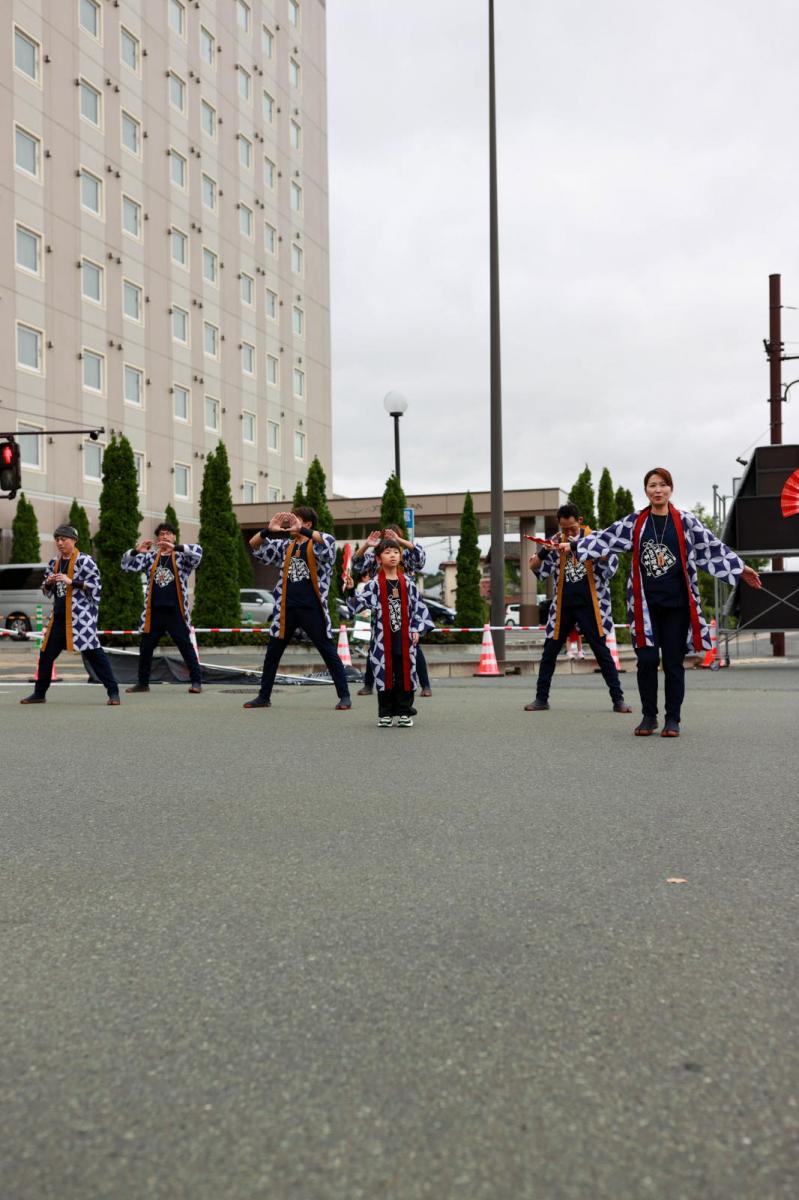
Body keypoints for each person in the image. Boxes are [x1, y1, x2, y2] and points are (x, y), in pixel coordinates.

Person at [566, 467, 762, 737]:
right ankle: (649, 716)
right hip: (645, 606)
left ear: (671, 489)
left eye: (662, 485)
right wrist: (574, 546)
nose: (657, 490)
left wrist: (741, 569)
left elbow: (711, 547)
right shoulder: (636, 522)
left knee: (672, 662)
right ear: (646, 490)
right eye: (652, 485)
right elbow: (607, 538)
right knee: (646, 660)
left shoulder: (685, 521)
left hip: (677, 606)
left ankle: (673, 719)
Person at [526, 503, 631, 714]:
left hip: (591, 605)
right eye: (564, 528)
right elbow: (534, 567)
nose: (568, 532)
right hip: (563, 604)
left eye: (571, 528)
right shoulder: (557, 542)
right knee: (550, 652)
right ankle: (541, 698)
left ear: (580, 521)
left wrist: (581, 545)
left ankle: (618, 699)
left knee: (602, 652)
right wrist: (545, 550)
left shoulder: (596, 537)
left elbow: (610, 562)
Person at [243, 507, 352, 710]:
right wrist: (269, 530)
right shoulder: (286, 546)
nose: (289, 522)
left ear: (308, 524)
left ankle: (345, 696)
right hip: (287, 609)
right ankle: (263, 696)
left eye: (296, 519)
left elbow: (329, 542)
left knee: (328, 652)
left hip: (312, 608)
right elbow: (254, 544)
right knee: (272, 654)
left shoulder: (318, 545)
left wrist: (303, 530)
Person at [20, 524, 120, 706]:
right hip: (58, 618)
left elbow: (96, 587)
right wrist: (49, 583)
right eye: (57, 539)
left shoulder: (85, 561)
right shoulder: (54, 562)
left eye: (63, 539)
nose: (60, 543)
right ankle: (39, 693)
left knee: (95, 655)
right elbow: (46, 590)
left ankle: (113, 692)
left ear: (74, 540)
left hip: (81, 618)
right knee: (45, 655)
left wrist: (71, 581)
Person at [345, 539, 434, 727]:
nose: (392, 555)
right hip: (381, 638)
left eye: (395, 552)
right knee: (383, 674)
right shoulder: (374, 585)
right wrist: (351, 588)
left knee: (405, 675)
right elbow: (358, 605)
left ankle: (404, 712)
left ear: (400, 556)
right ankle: (385, 713)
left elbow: (419, 608)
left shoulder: (408, 583)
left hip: (405, 638)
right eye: (387, 552)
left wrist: (417, 628)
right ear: (378, 558)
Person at [120, 524, 203, 694]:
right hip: (154, 612)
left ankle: (196, 681)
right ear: (157, 538)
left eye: (168, 534)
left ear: (174, 537)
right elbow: (126, 565)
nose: (164, 537)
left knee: (185, 646)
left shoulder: (181, 556)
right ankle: (142, 683)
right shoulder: (150, 557)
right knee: (146, 647)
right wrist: (137, 551)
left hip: (176, 611)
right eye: (161, 534)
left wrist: (176, 548)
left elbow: (198, 552)